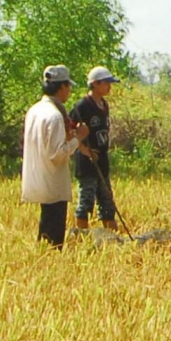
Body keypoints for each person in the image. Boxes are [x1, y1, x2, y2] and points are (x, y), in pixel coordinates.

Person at [21, 65, 90, 248]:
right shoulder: (54, 116)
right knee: (53, 234)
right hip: (52, 180)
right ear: (62, 87)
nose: (69, 91)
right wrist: (78, 138)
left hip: (37, 176)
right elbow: (57, 154)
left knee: (46, 225)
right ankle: (49, 259)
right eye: (68, 87)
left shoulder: (34, 110)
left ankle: (43, 258)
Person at [69, 66, 120, 231]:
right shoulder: (82, 106)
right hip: (86, 161)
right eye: (106, 83)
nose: (109, 87)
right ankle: (81, 235)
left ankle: (112, 236)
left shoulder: (104, 105)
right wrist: (84, 149)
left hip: (102, 159)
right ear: (96, 84)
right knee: (86, 200)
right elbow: (69, 130)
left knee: (107, 201)